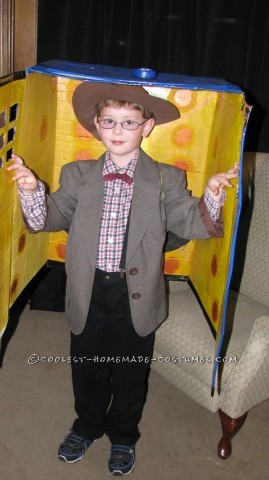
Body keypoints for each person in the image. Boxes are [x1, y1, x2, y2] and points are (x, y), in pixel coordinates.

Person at [8, 82, 238, 476]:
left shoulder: (167, 178)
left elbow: (189, 221)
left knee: (131, 371)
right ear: (96, 125)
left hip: (137, 294)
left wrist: (213, 193)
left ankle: (124, 436)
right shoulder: (78, 174)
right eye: (109, 121)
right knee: (87, 366)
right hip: (87, 288)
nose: (118, 130)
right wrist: (32, 190)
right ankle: (87, 426)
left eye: (129, 122)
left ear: (147, 127)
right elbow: (54, 215)